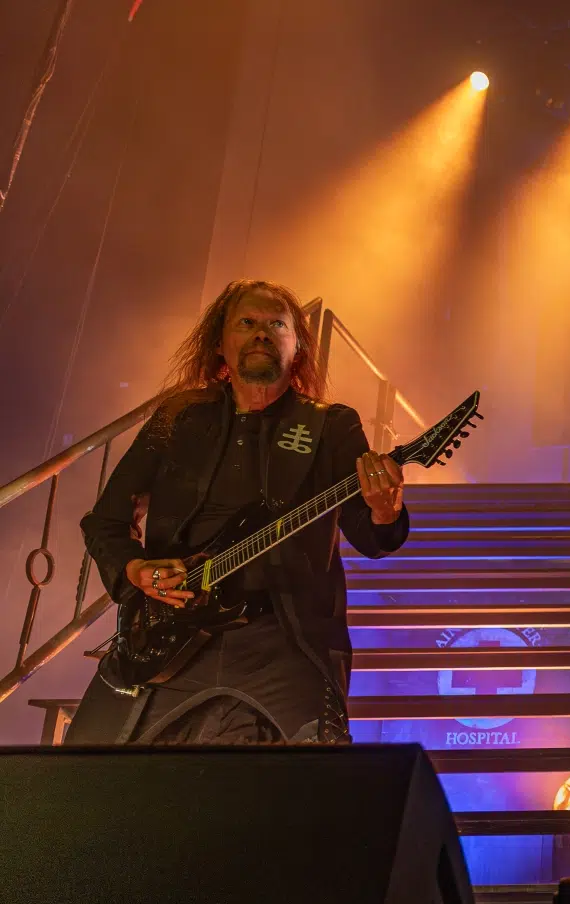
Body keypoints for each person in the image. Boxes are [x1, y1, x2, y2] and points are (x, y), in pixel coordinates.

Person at [66, 279, 408, 746]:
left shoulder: (330, 425)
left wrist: (385, 510)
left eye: (277, 325)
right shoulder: (179, 417)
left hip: (283, 640)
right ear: (220, 343)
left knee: (313, 780)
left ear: (298, 347)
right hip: (169, 634)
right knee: (84, 767)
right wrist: (136, 570)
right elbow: (105, 521)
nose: (262, 333)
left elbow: (369, 536)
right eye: (247, 322)